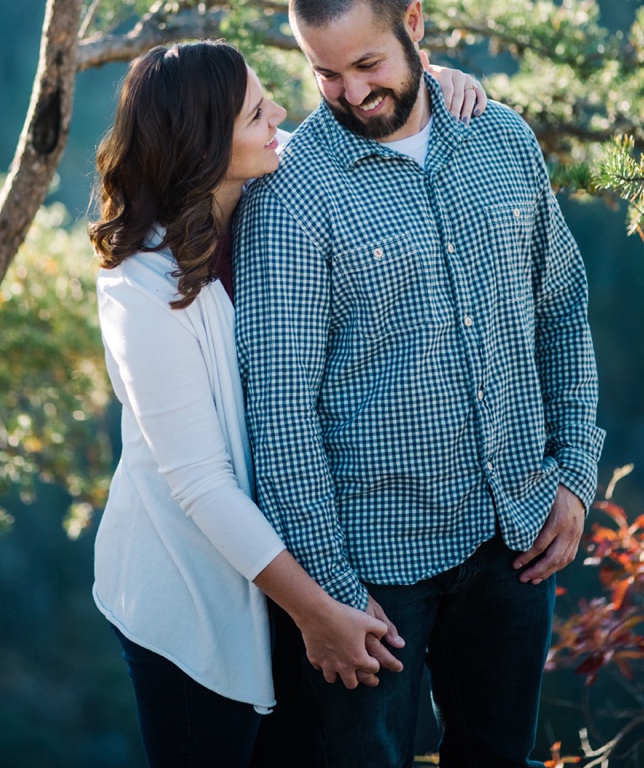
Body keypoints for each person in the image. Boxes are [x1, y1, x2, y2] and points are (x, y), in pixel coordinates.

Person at [233, 0, 605, 768]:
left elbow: (562, 312)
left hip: (516, 539)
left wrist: (575, 473)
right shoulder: (291, 194)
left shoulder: (501, 138)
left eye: (366, 64)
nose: (352, 94)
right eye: (324, 74)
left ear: (414, 24)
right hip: (373, 573)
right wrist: (327, 591)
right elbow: (281, 412)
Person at [88, 38, 484, 768]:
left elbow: (378, 126)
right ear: (203, 147)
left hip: (298, 567)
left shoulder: (281, 171)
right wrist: (315, 613)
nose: (279, 113)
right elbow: (201, 483)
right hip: (195, 591)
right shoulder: (138, 287)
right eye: (253, 113)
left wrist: (440, 87)